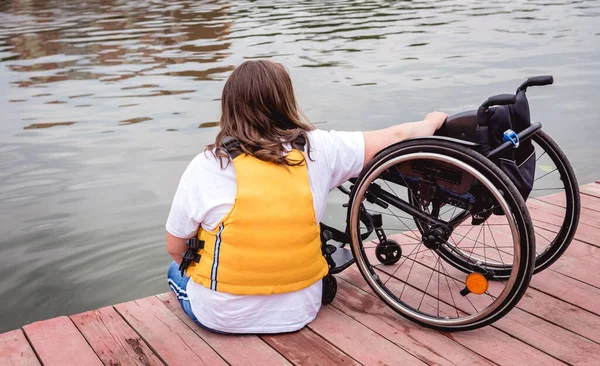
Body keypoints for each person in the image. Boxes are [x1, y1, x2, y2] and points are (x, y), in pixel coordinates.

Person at [165, 60, 447, 334]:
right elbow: (395, 135)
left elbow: (175, 247)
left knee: (173, 270)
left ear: (229, 107)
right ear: (285, 100)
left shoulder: (208, 164)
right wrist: (431, 122)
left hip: (222, 316)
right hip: (300, 311)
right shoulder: (318, 148)